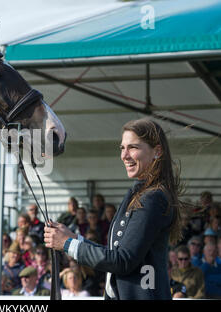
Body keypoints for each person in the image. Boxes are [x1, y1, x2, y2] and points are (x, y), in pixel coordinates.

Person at [44, 118, 183, 300]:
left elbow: (122, 261)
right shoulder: (140, 193)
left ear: (157, 151)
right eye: (122, 148)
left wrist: (68, 244)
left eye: (133, 147)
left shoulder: (153, 198)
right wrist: (73, 238)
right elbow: (116, 253)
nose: (124, 155)